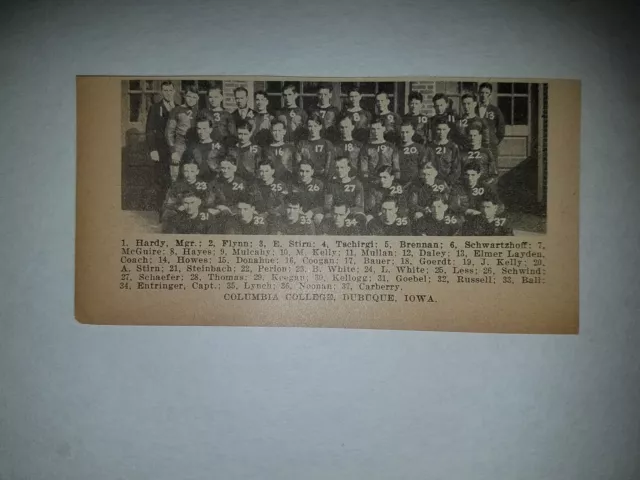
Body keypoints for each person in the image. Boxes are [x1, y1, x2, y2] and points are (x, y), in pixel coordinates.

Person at [146, 80, 175, 216]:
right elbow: (150, 130)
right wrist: (153, 149)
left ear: (174, 91)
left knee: (175, 179)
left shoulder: (180, 107)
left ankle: (175, 213)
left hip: (176, 150)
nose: (168, 93)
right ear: (162, 92)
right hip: (161, 151)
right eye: (165, 90)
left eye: (170, 90)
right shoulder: (155, 108)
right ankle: (161, 213)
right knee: (161, 181)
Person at [161, 159, 211, 232]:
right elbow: (168, 203)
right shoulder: (177, 185)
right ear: (183, 171)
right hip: (180, 211)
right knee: (168, 213)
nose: (189, 175)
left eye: (192, 171)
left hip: (198, 212)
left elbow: (208, 202)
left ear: (197, 172)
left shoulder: (203, 185)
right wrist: (178, 207)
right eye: (186, 171)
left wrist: (196, 206)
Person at [165, 84, 199, 182]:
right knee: (176, 177)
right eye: (189, 96)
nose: (191, 99)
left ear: (197, 98)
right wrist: (173, 151)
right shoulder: (176, 110)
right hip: (179, 146)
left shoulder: (199, 112)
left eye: (194, 97)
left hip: (194, 146)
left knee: (193, 176)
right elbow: (169, 132)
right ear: (184, 96)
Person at [183, 116, 225, 182]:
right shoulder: (192, 148)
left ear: (210, 130)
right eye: (199, 129)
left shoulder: (218, 147)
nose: (201, 132)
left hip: (214, 182)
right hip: (197, 182)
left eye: (205, 128)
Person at [358, 120, 400, 184]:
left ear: (383, 129)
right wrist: (367, 181)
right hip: (372, 183)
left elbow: (396, 168)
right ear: (370, 130)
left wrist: (395, 182)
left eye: (378, 129)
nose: (376, 132)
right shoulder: (365, 148)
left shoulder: (391, 147)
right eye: (373, 129)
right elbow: (364, 170)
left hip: (388, 182)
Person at [425, 119, 461, 187]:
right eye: (439, 129)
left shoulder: (453, 147)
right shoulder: (429, 147)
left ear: (448, 130)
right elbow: (425, 165)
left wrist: (447, 182)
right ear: (435, 130)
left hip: (447, 184)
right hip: (431, 183)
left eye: (444, 129)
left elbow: (456, 169)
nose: (441, 132)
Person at [477, 82, 506, 165]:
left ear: (490, 95)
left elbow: (501, 128)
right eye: (482, 93)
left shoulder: (495, 110)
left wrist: (494, 141)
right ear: (478, 94)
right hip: (476, 146)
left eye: (486, 93)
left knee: (492, 169)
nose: (484, 95)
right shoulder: (473, 109)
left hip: (490, 146)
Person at [290, 160, 325, 226]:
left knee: (319, 218)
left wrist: (312, 211)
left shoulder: (319, 184)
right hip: (298, 212)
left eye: (307, 171)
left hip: (313, 213)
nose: (304, 174)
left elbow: (323, 206)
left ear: (312, 172)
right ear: (298, 171)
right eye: (301, 171)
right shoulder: (293, 184)